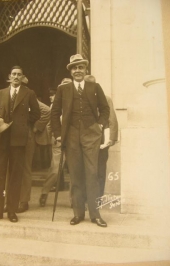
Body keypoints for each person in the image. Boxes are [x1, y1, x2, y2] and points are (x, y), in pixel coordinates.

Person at [51, 54, 110, 227]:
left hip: (91, 135)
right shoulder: (63, 89)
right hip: (71, 136)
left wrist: (99, 125)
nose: (78, 70)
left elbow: (105, 109)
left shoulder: (95, 87)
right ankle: (78, 214)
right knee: (75, 174)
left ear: (86, 70)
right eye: (74, 68)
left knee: (92, 174)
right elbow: (54, 113)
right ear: (70, 71)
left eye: (81, 67)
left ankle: (95, 214)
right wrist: (58, 134)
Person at [0, 66, 40, 223]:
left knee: (15, 176)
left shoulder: (29, 93)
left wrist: (22, 122)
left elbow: (36, 113)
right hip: (1, 139)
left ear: (22, 77)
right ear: (9, 76)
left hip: (19, 140)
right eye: (13, 74)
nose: (16, 77)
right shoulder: (0, 93)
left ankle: (12, 211)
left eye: (19, 75)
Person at [84, 75, 118, 197]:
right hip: (85, 137)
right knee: (86, 169)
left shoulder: (105, 98)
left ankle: (98, 196)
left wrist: (112, 138)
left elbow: (112, 118)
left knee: (100, 168)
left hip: (102, 138)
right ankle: (87, 197)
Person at [39, 79, 72, 207]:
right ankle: (44, 192)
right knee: (55, 169)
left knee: (74, 170)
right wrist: (52, 136)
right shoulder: (56, 104)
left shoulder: (76, 101)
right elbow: (51, 123)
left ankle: (74, 200)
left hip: (73, 140)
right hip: (59, 141)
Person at [17, 99, 51, 213]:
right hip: (11, 136)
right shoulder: (6, 94)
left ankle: (23, 201)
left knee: (25, 169)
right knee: (10, 169)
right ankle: (11, 201)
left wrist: (36, 127)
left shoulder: (28, 96)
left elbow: (47, 111)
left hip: (27, 137)